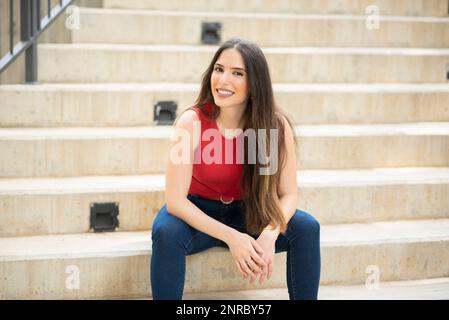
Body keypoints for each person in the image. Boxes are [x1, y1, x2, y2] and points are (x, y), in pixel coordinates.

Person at [150, 38, 321, 300]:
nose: (223, 80)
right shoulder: (191, 122)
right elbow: (175, 202)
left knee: (307, 227)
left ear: (255, 84)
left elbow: (288, 195)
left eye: (237, 73)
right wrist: (232, 237)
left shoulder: (275, 126)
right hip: (197, 213)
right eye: (219, 69)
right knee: (165, 232)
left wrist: (269, 233)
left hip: (249, 213)